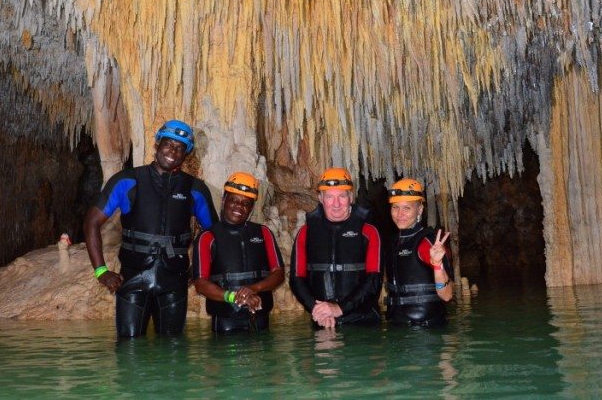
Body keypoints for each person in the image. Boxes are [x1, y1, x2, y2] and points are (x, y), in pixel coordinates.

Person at [83, 119, 217, 338]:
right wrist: (101, 271)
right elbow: (92, 222)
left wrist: (200, 269)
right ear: (157, 144)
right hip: (133, 279)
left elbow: (213, 234)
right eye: (168, 144)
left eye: (180, 147)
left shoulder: (195, 189)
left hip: (174, 280)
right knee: (129, 348)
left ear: (186, 153)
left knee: (174, 352)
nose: (173, 150)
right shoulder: (128, 181)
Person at [192, 172, 285, 334]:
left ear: (251, 208)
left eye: (246, 203)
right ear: (224, 200)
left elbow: (278, 274)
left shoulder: (263, 233)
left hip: (260, 317)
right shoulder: (208, 237)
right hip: (226, 321)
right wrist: (234, 296)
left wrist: (253, 288)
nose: (239, 207)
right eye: (234, 200)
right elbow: (200, 284)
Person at [290, 167, 382, 328]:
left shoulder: (369, 232)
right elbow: (296, 278)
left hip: (362, 320)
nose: (337, 204)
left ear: (351, 197)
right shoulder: (305, 233)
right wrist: (316, 310)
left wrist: (339, 308)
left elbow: (374, 279)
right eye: (330, 197)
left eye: (342, 196)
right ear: (320, 198)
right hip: (322, 320)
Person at [384, 178, 453, 328]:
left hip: (426, 330)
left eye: (407, 208)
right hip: (398, 327)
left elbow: (447, 295)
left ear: (419, 210)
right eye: (395, 207)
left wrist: (437, 264)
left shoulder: (427, 242)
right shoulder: (393, 242)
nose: (400, 214)